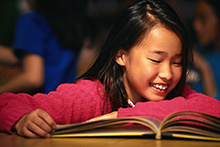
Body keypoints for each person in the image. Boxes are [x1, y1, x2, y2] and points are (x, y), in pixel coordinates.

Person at [0, 0, 220, 138]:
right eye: (156, 60)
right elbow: (6, 102)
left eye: (177, 62)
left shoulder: (176, 93)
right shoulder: (93, 95)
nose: (168, 74)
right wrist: (21, 119)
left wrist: (122, 117)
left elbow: (214, 109)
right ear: (121, 55)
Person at [0, 0, 86, 94]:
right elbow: (21, 57)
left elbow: (32, 79)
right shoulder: (70, 23)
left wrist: (2, 90)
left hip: (41, 102)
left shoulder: (32, 21)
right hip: (65, 98)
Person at [187, 0, 220, 100]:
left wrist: (205, 68)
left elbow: (215, 107)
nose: (196, 25)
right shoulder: (198, 51)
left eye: (203, 18)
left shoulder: (200, 58)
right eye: (196, 17)